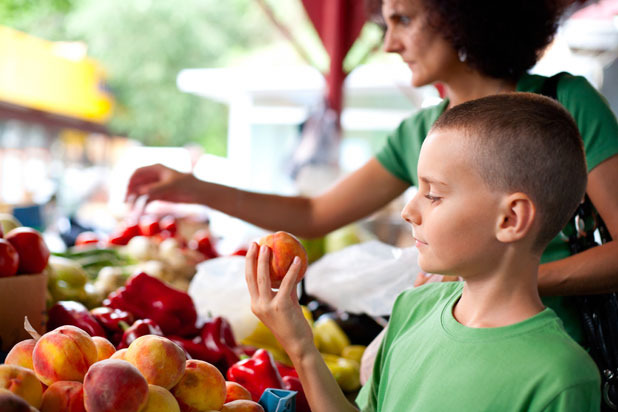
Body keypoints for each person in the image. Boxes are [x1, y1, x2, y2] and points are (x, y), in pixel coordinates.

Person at [126, 0, 618, 341]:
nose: (390, 43)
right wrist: (195, 188)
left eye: (403, 20)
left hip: (551, 354)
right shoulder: (421, 130)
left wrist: (514, 279)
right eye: (387, 25)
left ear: (463, 15)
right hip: (447, 342)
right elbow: (316, 214)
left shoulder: (567, 102)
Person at [245, 93, 601, 411]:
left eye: (433, 194)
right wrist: (301, 346)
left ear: (510, 218)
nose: (408, 211)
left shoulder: (561, 378)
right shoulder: (412, 309)